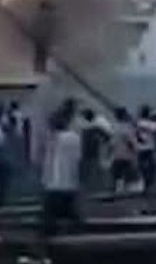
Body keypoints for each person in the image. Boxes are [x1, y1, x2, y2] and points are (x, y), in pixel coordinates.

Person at [41, 101, 82, 236]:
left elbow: (48, 162)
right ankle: (77, 233)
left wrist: (44, 180)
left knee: (49, 218)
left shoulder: (54, 139)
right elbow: (78, 159)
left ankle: (51, 239)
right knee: (70, 212)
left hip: (54, 184)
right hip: (70, 183)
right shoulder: (75, 137)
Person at [78, 109, 111, 194]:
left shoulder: (92, 128)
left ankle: (91, 189)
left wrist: (101, 142)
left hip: (89, 153)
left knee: (90, 172)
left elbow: (107, 137)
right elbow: (107, 137)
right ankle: (92, 188)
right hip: (90, 153)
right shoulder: (95, 128)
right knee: (91, 171)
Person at [111, 107, 140, 193]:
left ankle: (119, 191)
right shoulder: (126, 128)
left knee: (118, 176)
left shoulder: (114, 127)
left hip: (117, 155)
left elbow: (112, 142)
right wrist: (136, 150)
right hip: (127, 156)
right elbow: (130, 142)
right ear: (124, 116)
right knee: (130, 176)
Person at [136, 105, 156, 193]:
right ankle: (150, 184)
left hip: (140, 148)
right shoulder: (151, 124)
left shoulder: (138, 123)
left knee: (142, 167)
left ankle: (145, 184)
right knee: (151, 167)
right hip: (149, 148)